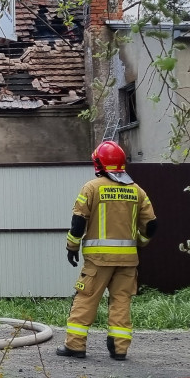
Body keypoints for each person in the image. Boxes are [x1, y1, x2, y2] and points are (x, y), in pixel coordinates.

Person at [56, 140, 157, 361]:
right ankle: (120, 349)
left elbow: (78, 222)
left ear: (99, 164)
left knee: (86, 298)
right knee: (121, 301)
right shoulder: (137, 191)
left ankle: (75, 346)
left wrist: (71, 246)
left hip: (98, 260)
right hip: (128, 261)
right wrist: (139, 243)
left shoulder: (91, 188)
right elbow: (151, 226)